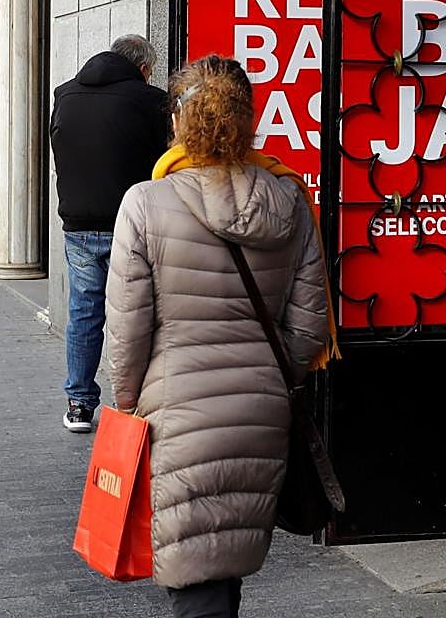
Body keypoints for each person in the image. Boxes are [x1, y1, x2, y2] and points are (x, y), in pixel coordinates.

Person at [105, 56, 329, 617]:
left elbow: (127, 328)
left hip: (175, 410)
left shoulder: (145, 203)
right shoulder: (289, 200)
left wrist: (127, 402)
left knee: (196, 576)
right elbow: (308, 326)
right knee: (223, 562)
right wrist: (272, 378)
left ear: (180, 123)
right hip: (260, 408)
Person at [50, 34, 168, 433]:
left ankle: (80, 404)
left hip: (79, 225)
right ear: (143, 68)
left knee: (84, 313)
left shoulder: (64, 95)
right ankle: (133, 403)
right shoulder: (151, 100)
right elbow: (162, 163)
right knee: (137, 314)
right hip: (132, 224)